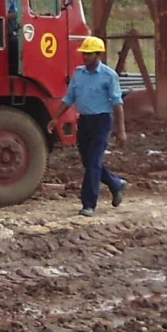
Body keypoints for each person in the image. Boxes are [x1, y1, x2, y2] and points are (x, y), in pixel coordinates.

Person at [55, 35, 127, 216]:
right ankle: (115, 184)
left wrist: (121, 131)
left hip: (101, 122)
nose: (85, 57)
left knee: (94, 162)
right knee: (88, 162)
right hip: (85, 122)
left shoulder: (109, 76)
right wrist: (55, 117)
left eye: (89, 54)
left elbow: (117, 104)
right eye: (84, 54)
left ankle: (89, 204)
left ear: (98, 54)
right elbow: (68, 98)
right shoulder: (79, 74)